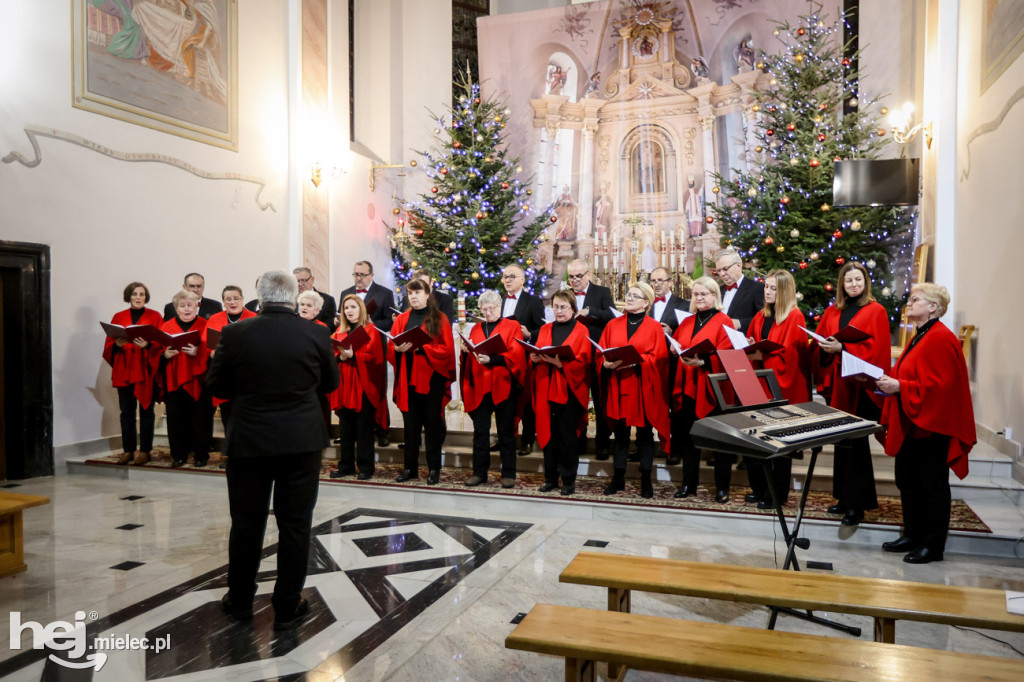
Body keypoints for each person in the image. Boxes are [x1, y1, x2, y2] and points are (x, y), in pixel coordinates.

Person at [207, 270, 339, 630]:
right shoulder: (317, 332)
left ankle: (239, 601)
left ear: (259, 297)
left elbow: (216, 383)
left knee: (247, 522)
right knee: (296, 524)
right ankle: (287, 603)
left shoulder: (235, 333)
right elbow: (331, 383)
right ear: (294, 295)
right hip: (301, 440)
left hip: (250, 439)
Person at [876, 284, 975, 564]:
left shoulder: (941, 337)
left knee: (932, 486)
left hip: (933, 425)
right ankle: (912, 534)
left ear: (934, 307)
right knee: (908, 481)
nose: (909, 304)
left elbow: (942, 387)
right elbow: (915, 373)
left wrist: (900, 386)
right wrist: (890, 384)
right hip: (913, 419)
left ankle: (932, 546)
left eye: (915, 299)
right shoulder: (919, 335)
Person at [812, 261, 891, 527]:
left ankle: (857, 505)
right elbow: (821, 339)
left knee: (856, 446)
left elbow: (877, 350)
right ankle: (843, 498)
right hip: (838, 384)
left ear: (865, 282)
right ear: (841, 285)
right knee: (842, 442)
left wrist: (843, 348)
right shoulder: (834, 311)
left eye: (858, 280)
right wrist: (823, 347)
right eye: (849, 281)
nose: (854, 284)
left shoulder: (875, 310)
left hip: (860, 386)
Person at [744, 270, 810, 508]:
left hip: (782, 388)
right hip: (759, 383)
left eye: (773, 288)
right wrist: (751, 348)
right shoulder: (761, 315)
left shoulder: (795, 317)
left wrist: (762, 354)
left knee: (779, 446)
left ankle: (777, 494)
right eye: (766, 287)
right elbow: (751, 343)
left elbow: (791, 358)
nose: (767, 291)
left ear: (784, 291)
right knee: (756, 440)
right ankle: (760, 488)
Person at [598, 282, 671, 499]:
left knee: (644, 435)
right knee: (620, 434)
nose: (629, 298)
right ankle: (617, 477)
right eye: (628, 294)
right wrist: (605, 363)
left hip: (642, 386)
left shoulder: (654, 327)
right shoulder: (613, 324)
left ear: (646, 302)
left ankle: (646, 479)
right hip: (618, 384)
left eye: (635, 296)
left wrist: (638, 362)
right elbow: (601, 351)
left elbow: (660, 358)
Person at [672, 276, 733, 501]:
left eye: (704, 294)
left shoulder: (723, 321)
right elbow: (679, 344)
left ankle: (722, 488)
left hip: (713, 388)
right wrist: (674, 347)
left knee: (720, 441)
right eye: (696, 294)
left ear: (714, 295)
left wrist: (704, 363)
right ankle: (689, 484)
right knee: (690, 439)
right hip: (689, 385)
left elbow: (727, 355)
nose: (699, 298)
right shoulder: (687, 322)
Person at [389, 278, 456, 485]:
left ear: (427, 295)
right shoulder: (402, 319)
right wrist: (397, 349)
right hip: (408, 378)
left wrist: (423, 348)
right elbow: (392, 344)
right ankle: (410, 468)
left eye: (417, 293)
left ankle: (434, 469)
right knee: (410, 427)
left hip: (431, 379)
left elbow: (446, 350)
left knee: (433, 426)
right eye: (410, 293)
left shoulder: (439, 318)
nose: (414, 297)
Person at [460, 290, 527, 488]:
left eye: (492, 308)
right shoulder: (476, 329)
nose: (488, 312)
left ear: (500, 307)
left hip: (504, 384)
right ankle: (479, 473)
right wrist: (466, 352)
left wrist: (493, 359)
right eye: (484, 309)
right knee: (480, 432)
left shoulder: (511, 326)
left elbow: (516, 354)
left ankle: (508, 473)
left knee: (505, 432)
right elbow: (472, 354)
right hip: (481, 385)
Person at [531, 290, 593, 495]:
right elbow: (539, 350)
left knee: (566, 438)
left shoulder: (581, 330)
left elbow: (584, 362)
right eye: (555, 307)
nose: (559, 311)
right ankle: (550, 478)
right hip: (546, 387)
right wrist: (535, 359)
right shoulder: (545, 329)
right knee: (548, 436)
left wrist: (561, 364)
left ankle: (568, 480)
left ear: (573, 309)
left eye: (563, 307)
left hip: (569, 391)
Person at [103, 281, 164, 466]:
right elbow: (108, 345)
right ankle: (128, 450)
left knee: (146, 411)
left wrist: (148, 345)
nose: (138, 297)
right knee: (126, 412)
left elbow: (161, 342)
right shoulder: (119, 316)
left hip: (145, 370)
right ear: (128, 296)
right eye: (135, 294)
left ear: (146, 297)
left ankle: (145, 450)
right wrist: (116, 345)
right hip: (125, 370)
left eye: (142, 294)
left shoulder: (154, 316)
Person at [329, 295, 388, 480]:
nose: (349, 311)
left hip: (363, 384)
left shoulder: (371, 331)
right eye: (346, 308)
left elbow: (375, 358)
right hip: (345, 385)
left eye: (353, 307)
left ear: (361, 309)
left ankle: (365, 467)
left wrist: (354, 355)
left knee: (363, 429)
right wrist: (341, 357)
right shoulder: (339, 332)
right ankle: (345, 465)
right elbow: (332, 355)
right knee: (345, 429)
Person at [567, 258, 616, 459]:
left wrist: (590, 312)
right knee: (575, 399)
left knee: (600, 399)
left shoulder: (602, 292)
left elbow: (612, 316)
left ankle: (603, 444)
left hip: (596, 353)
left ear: (588, 274)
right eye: (571, 276)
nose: (575, 280)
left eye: (579, 276)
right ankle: (577, 441)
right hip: (573, 354)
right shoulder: (565, 294)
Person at [205, 285, 257, 468]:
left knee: (247, 417)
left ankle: (250, 454)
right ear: (223, 302)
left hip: (247, 377)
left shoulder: (254, 318)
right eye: (228, 299)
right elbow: (208, 350)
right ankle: (232, 455)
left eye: (236, 298)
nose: (232, 302)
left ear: (243, 299)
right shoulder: (215, 319)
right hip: (225, 376)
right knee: (229, 418)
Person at [160, 289, 212, 467]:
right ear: (176, 308)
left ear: (197, 306)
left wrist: (198, 352)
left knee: (201, 419)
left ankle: (201, 455)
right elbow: (156, 352)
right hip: (174, 380)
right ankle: (179, 455)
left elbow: (212, 351)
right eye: (182, 306)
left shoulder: (205, 324)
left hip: (198, 379)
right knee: (176, 419)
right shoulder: (166, 327)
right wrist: (165, 355)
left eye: (190, 305)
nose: (187, 309)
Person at [648, 267, 691, 466]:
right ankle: (645, 446)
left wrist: (672, 332)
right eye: (653, 281)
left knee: (675, 407)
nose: (656, 284)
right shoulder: (645, 305)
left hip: (673, 362)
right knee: (649, 404)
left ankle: (676, 448)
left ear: (670, 282)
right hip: (650, 363)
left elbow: (689, 333)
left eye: (660, 280)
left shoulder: (684, 304)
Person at [501, 265, 545, 454]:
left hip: (524, 359)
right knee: (505, 401)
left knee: (526, 401)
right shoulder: (500, 301)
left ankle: (527, 439)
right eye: (505, 277)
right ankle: (506, 438)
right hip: (503, 358)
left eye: (512, 276)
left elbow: (542, 330)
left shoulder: (533, 301)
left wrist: (529, 335)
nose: (508, 280)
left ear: (522, 280)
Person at [714, 247, 764, 334]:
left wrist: (740, 323)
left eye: (725, 269)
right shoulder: (718, 291)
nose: (722, 274)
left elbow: (765, 319)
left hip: (745, 343)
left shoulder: (757, 288)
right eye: (719, 270)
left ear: (739, 265)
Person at [340, 260, 395, 332]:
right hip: (350, 338)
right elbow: (341, 316)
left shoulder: (385, 294)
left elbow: (390, 321)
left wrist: (372, 324)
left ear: (371, 275)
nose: (359, 278)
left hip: (375, 339)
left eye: (362, 275)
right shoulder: (345, 293)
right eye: (356, 274)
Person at [294, 266, 337, 331]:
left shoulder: (328, 300)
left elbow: (330, 325)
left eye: (303, 280)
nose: (300, 284)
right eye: (297, 281)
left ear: (312, 279)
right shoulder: (291, 300)